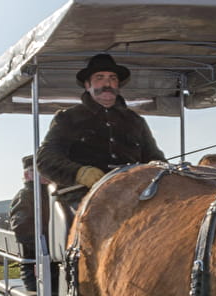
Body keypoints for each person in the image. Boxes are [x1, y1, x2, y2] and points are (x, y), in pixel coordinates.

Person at [35, 53, 166, 201]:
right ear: (87, 85)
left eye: (112, 78)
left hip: (133, 195)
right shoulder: (68, 118)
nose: (107, 84)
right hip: (83, 198)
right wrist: (79, 173)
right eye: (100, 78)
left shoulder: (136, 121)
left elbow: (155, 160)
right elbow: (45, 159)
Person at [7, 155, 44, 293]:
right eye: (39, 171)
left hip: (48, 267)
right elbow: (22, 230)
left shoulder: (46, 194)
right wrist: (50, 252)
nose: (45, 175)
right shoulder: (26, 196)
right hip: (37, 272)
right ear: (27, 174)